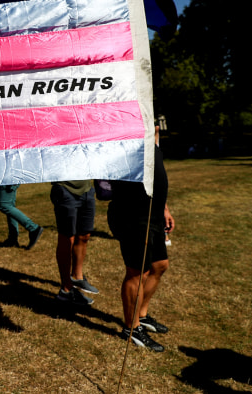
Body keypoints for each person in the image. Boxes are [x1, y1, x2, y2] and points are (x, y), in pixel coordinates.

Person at [109, 128, 176, 352]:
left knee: (159, 265)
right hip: (133, 215)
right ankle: (131, 327)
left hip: (154, 214)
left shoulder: (152, 142)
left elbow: (158, 178)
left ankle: (141, 315)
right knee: (138, 272)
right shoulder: (123, 140)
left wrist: (164, 208)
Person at [51, 180, 99, 306]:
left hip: (87, 189)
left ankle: (77, 277)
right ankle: (66, 289)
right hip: (64, 188)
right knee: (67, 238)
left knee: (84, 235)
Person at [0, 184, 43, 248]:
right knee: (9, 205)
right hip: (10, 179)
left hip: (9, 179)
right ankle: (12, 238)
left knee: (4, 205)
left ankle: (33, 228)